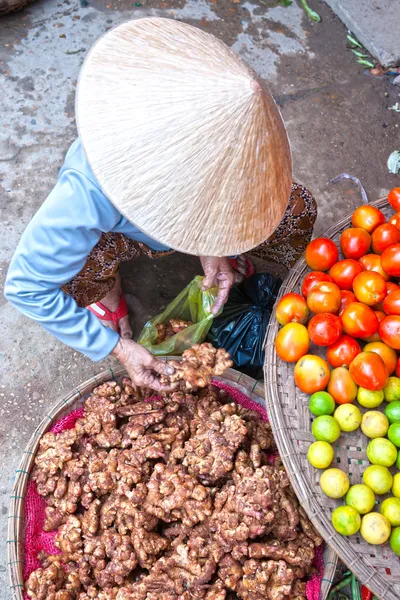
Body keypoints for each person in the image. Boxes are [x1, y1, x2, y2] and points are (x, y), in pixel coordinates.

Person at [4, 18, 316, 392]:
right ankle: (107, 290)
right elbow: (27, 288)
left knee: (295, 207)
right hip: (115, 232)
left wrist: (214, 248)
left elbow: (228, 192)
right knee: (74, 271)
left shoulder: (238, 129)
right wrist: (118, 348)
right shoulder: (89, 190)